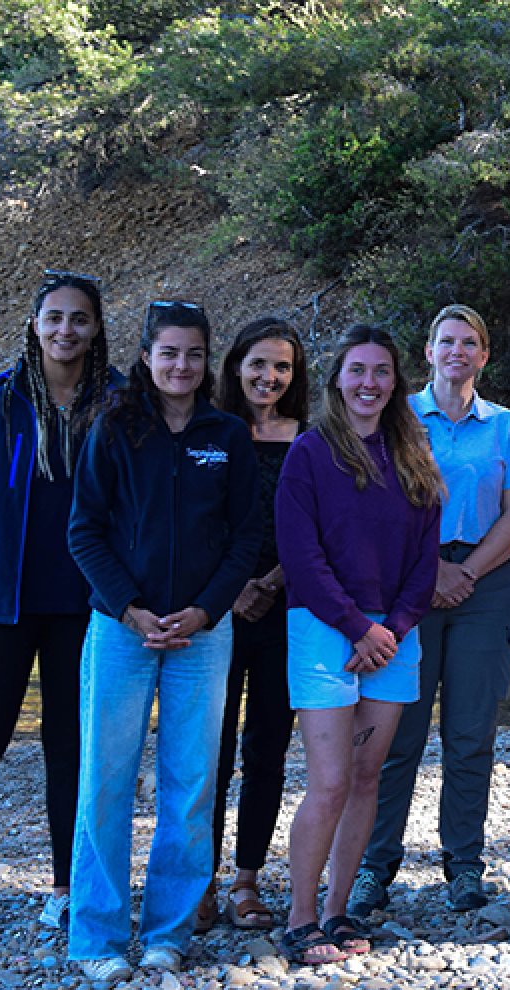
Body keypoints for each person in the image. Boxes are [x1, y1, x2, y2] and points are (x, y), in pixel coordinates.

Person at [67, 301, 261, 980]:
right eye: (169, 353)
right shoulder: (116, 427)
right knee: (106, 779)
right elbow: (84, 529)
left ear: (209, 361)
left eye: (195, 354)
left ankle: (168, 931)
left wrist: (206, 611)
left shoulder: (228, 434)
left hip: (201, 636)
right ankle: (95, 936)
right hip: (122, 631)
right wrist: (130, 608)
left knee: (191, 783)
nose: (182, 366)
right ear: (147, 357)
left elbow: (246, 539)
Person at [0, 271, 119, 948]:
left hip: (83, 601)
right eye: (54, 319)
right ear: (35, 325)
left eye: (79, 319)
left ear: (96, 327)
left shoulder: (117, 403)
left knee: (72, 745)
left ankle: (68, 890)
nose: (65, 331)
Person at [348, 305, 510, 917]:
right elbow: (381, 508)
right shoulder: (398, 419)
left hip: (486, 583)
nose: (458, 350)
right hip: (406, 586)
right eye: (447, 340)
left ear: (484, 354)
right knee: (394, 732)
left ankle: (464, 864)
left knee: (470, 733)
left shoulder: (504, 426)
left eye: (470, 341)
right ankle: (376, 864)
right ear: (427, 353)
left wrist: (467, 571)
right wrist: (429, 574)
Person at [276, 326, 441, 964]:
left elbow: (425, 560)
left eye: (381, 372)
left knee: (368, 776)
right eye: (358, 370)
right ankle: (300, 917)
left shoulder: (412, 453)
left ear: (395, 382)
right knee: (332, 779)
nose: (369, 382)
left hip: (394, 636)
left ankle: (339, 911)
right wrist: (356, 625)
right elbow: (300, 553)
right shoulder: (311, 454)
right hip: (325, 629)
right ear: (337, 378)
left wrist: (392, 629)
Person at [203, 318, 310, 932]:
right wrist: (232, 586)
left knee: (267, 750)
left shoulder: (309, 440)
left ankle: (247, 881)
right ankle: (202, 880)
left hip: (285, 611)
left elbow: (317, 528)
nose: (268, 377)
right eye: (258, 363)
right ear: (236, 365)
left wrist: (269, 582)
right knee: (207, 754)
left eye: (282, 367)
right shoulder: (209, 431)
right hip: (216, 613)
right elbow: (196, 521)